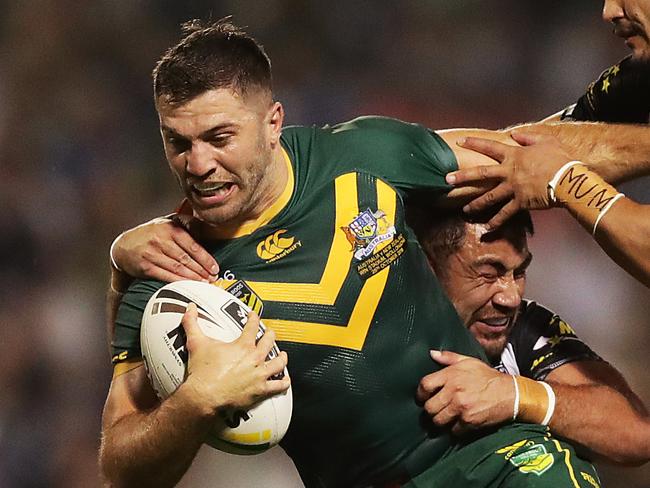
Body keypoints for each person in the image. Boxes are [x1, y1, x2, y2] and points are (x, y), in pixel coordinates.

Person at [101, 19, 628, 488]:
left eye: (219, 137)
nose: (198, 164)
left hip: (491, 458)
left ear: (272, 123)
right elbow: (120, 469)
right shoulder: (166, 281)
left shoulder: (365, 156)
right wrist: (195, 403)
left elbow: (529, 157)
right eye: (178, 143)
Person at [409, 207, 650, 466]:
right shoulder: (373, 327)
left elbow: (637, 435)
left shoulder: (526, 326)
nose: (511, 297)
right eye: (489, 274)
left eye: (519, 272)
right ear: (428, 268)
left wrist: (518, 395)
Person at [443, 0, 650, 286]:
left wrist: (565, 180)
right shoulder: (639, 78)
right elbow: (521, 154)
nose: (609, 12)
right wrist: (388, 151)